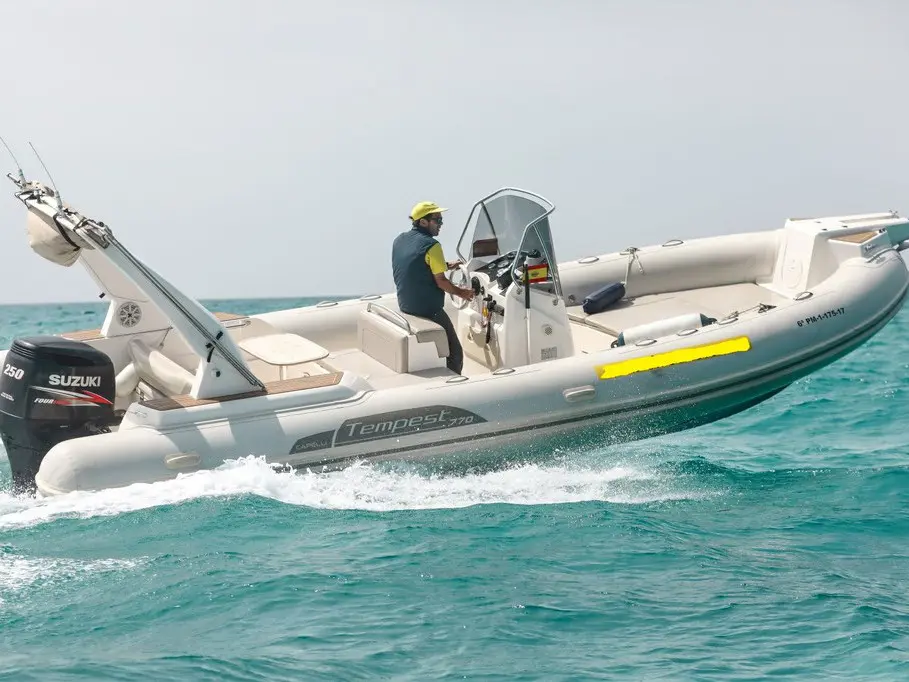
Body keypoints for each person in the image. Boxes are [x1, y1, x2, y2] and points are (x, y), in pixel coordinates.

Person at [391, 201, 475, 374]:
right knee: (456, 354)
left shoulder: (399, 240)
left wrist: (446, 265)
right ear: (423, 222)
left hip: (406, 305)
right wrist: (463, 293)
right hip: (428, 310)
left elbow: (417, 264)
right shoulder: (432, 245)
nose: (441, 224)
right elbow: (441, 282)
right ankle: (453, 382)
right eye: (437, 220)